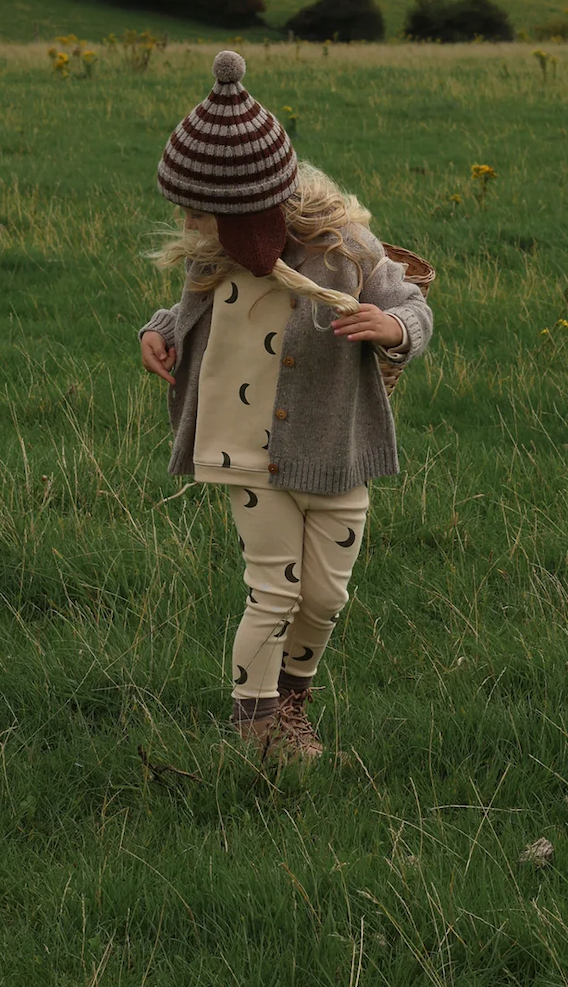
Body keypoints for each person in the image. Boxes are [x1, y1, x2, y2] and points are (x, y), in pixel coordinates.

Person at [139, 50, 433, 761]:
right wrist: (156, 333)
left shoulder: (349, 251)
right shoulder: (214, 255)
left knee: (325, 598)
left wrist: (391, 329)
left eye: (204, 210)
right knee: (274, 589)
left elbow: (412, 307)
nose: (192, 222)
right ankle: (257, 724)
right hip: (244, 448)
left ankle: (295, 698)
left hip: (336, 450)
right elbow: (186, 314)